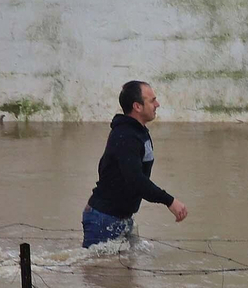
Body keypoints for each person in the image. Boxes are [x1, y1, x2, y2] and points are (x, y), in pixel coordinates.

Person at [81, 80, 189, 248]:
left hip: (121, 218)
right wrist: (169, 201)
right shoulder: (125, 136)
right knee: (97, 271)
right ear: (137, 106)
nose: (157, 104)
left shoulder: (138, 132)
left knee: (124, 270)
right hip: (103, 219)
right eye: (152, 100)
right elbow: (136, 180)